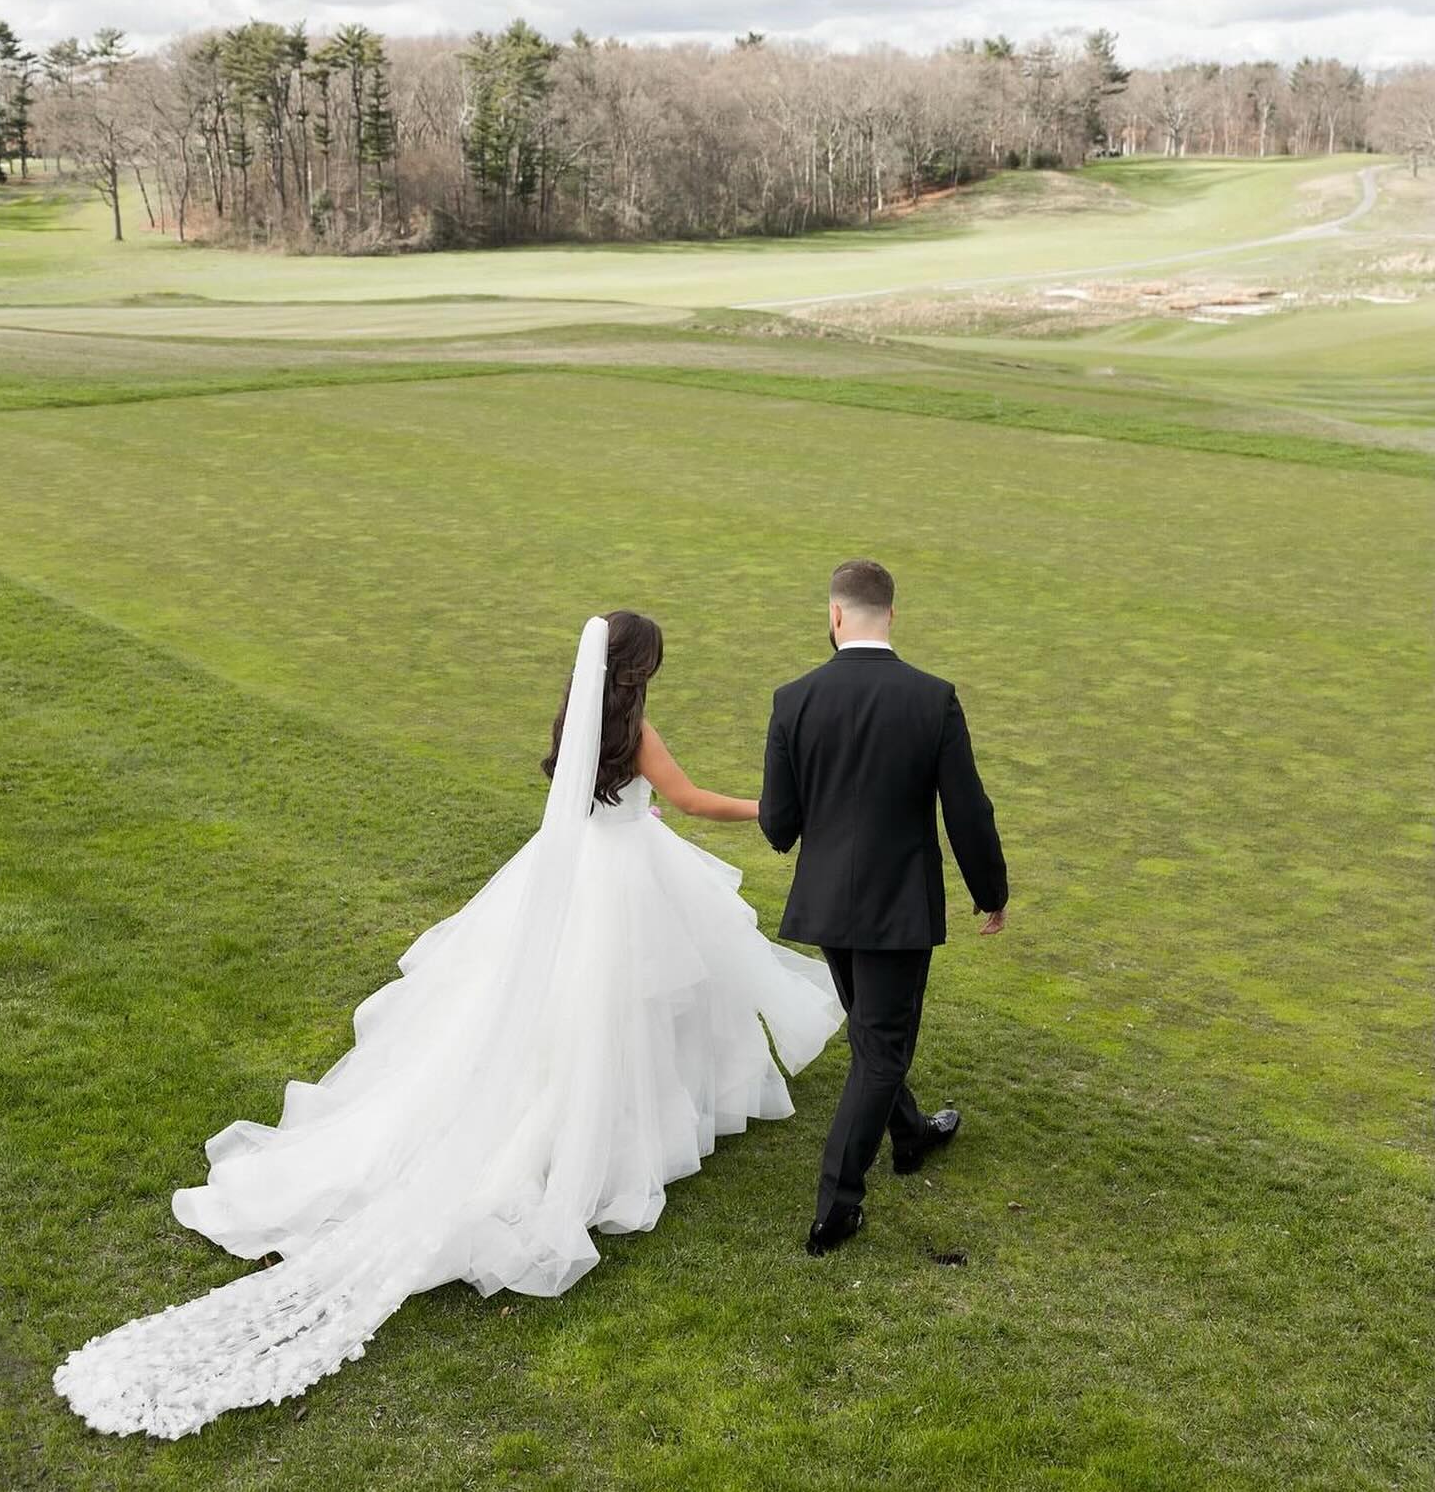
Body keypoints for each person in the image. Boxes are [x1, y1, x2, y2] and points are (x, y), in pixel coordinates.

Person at [54, 612, 843, 1439]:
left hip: (575, 868)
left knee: (568, 1008)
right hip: (621, 881)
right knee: (633, 1001)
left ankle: (605, 1112)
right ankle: (611, 1130)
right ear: (638, 669)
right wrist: (772, 808)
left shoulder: (575, 719)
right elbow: (688, 799)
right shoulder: (638, 733)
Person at [759, 560, 1009, 1256]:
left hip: (826, 902)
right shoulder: (933, 699)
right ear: (891, 614)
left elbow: (778, 824)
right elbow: (968, 809)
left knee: (875, 1041)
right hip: (897, 906)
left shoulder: (793, 698)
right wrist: (990, 892)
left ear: (835, 615)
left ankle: (912, 1134)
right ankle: (836, 1205)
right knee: (883, 1049)